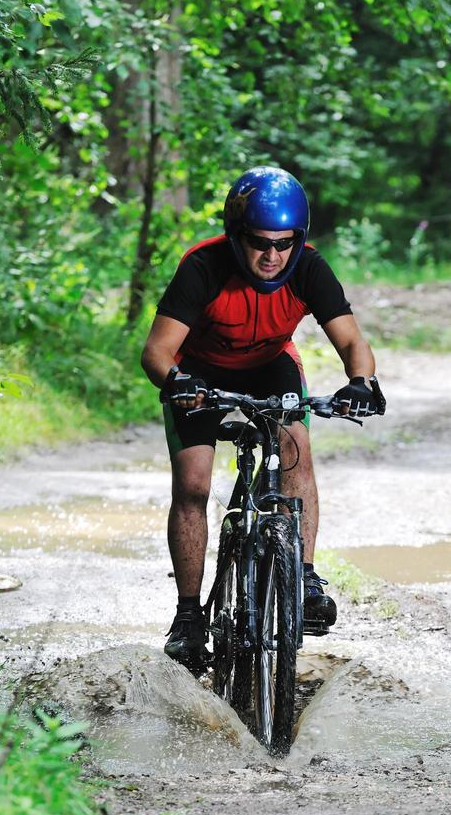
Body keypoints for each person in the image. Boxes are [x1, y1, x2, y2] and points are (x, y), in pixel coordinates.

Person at [141, 166, 385, 675]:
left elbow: (351, 341)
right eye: (259, 243)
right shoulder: (203, 266)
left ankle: (306, 578)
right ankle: (188, 618)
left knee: (297, 449)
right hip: (198, 373)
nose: (273, 256)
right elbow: (157, 351)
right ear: (236, 236)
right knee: (193, 485)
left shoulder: (309, 268)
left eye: (285, 243)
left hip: (271, 365)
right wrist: (177, 382)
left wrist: (361, 382)